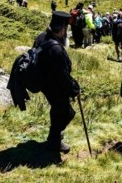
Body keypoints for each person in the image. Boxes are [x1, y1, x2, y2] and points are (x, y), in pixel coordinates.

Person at [33, 11, 80, 153]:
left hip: (44, 82)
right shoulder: (56, 49)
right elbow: (62, 75)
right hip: (54, 85)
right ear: (62, 30)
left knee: (57, 110)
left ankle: (55, 135)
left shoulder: (42, 37)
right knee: (66, 113)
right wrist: (74, 90)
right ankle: (54, 140)